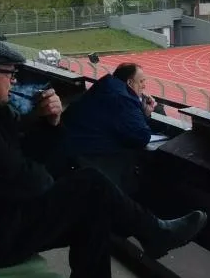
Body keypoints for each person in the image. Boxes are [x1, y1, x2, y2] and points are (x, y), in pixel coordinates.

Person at [0, 35, 208, 278]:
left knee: (93, 208)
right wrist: (50, 175)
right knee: (90, 184)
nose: (14, 81)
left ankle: (128, 259)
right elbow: (31, 182)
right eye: (9, 74)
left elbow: (14, 161)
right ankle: (154, 234)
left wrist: (49, 125)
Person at [61, 63, 156, 194]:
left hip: (69, 149)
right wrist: (145, 115)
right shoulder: (122, 98)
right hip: (86, 159)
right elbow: (141, 137)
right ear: (129, 82)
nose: (144, 86)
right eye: (141, 81)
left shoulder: (106, 86)